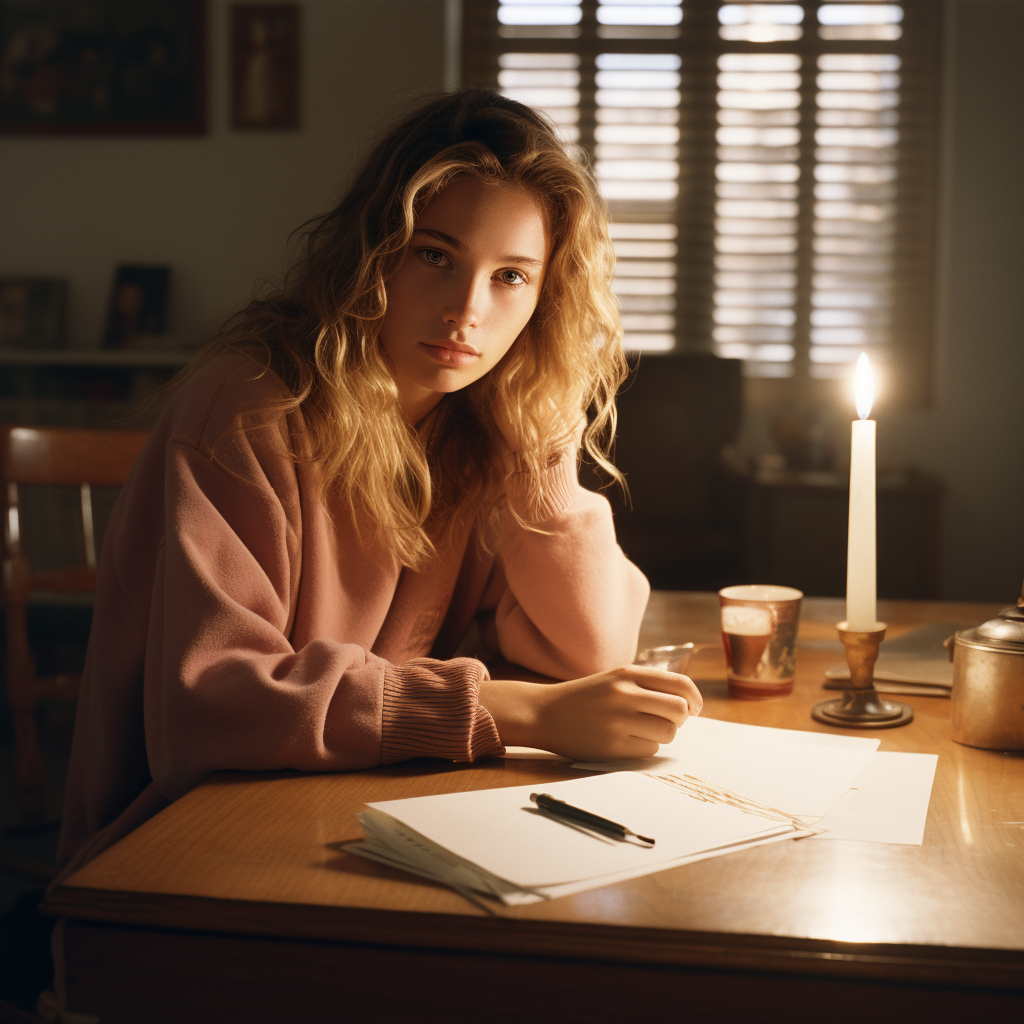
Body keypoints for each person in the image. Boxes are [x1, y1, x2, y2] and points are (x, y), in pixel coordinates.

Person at [55, 89, 702, 884]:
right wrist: (518, 711)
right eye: (435, 255)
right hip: (173, 854)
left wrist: (544, 443)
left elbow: (590, 653)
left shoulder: (479, 425)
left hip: (354, 811)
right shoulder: (252, 406)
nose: (468, 310)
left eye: (510, 278)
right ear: (374, 251)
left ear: (545, 300)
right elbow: (212, 707)